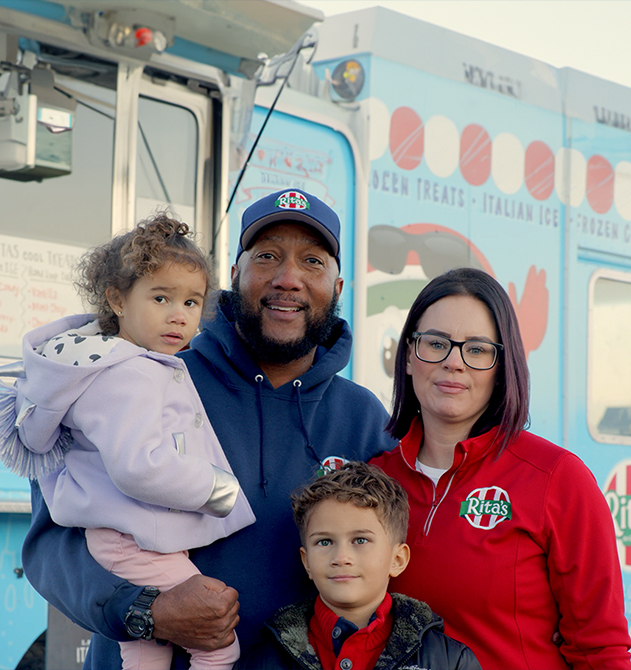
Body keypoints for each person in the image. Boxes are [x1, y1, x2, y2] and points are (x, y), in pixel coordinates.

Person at [21, 188, 397, 669]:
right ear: (235, 277)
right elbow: (52, 544)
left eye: (312, 262)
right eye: (267, 257)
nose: (288, 279)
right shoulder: (146, 375)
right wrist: (145, 610)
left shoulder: (364, 420)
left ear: (338, 288)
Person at [1, 216, 256, 669]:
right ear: (117, 299)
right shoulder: (132, 373)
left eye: (192, 302)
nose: (179, 315)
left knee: (145, 649)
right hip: (133, 542)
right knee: (217, 645)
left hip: (123, 536)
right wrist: (219, 489)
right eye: (161, 298)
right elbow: (138, 467)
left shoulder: (117, 363)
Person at [371, 267, 631, 670]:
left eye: (476, 350)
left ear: (500, 368)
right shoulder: (375, 482)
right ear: (408, 355)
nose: (453, 362)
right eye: (435, 343)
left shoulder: (557, 479)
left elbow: (601, 649)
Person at [236, 461, 482, 670]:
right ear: (306, 561)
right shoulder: (266, 658)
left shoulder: (450, 660)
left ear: (397, 560)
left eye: (360, 540)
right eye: (324, 541)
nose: (341, 557)